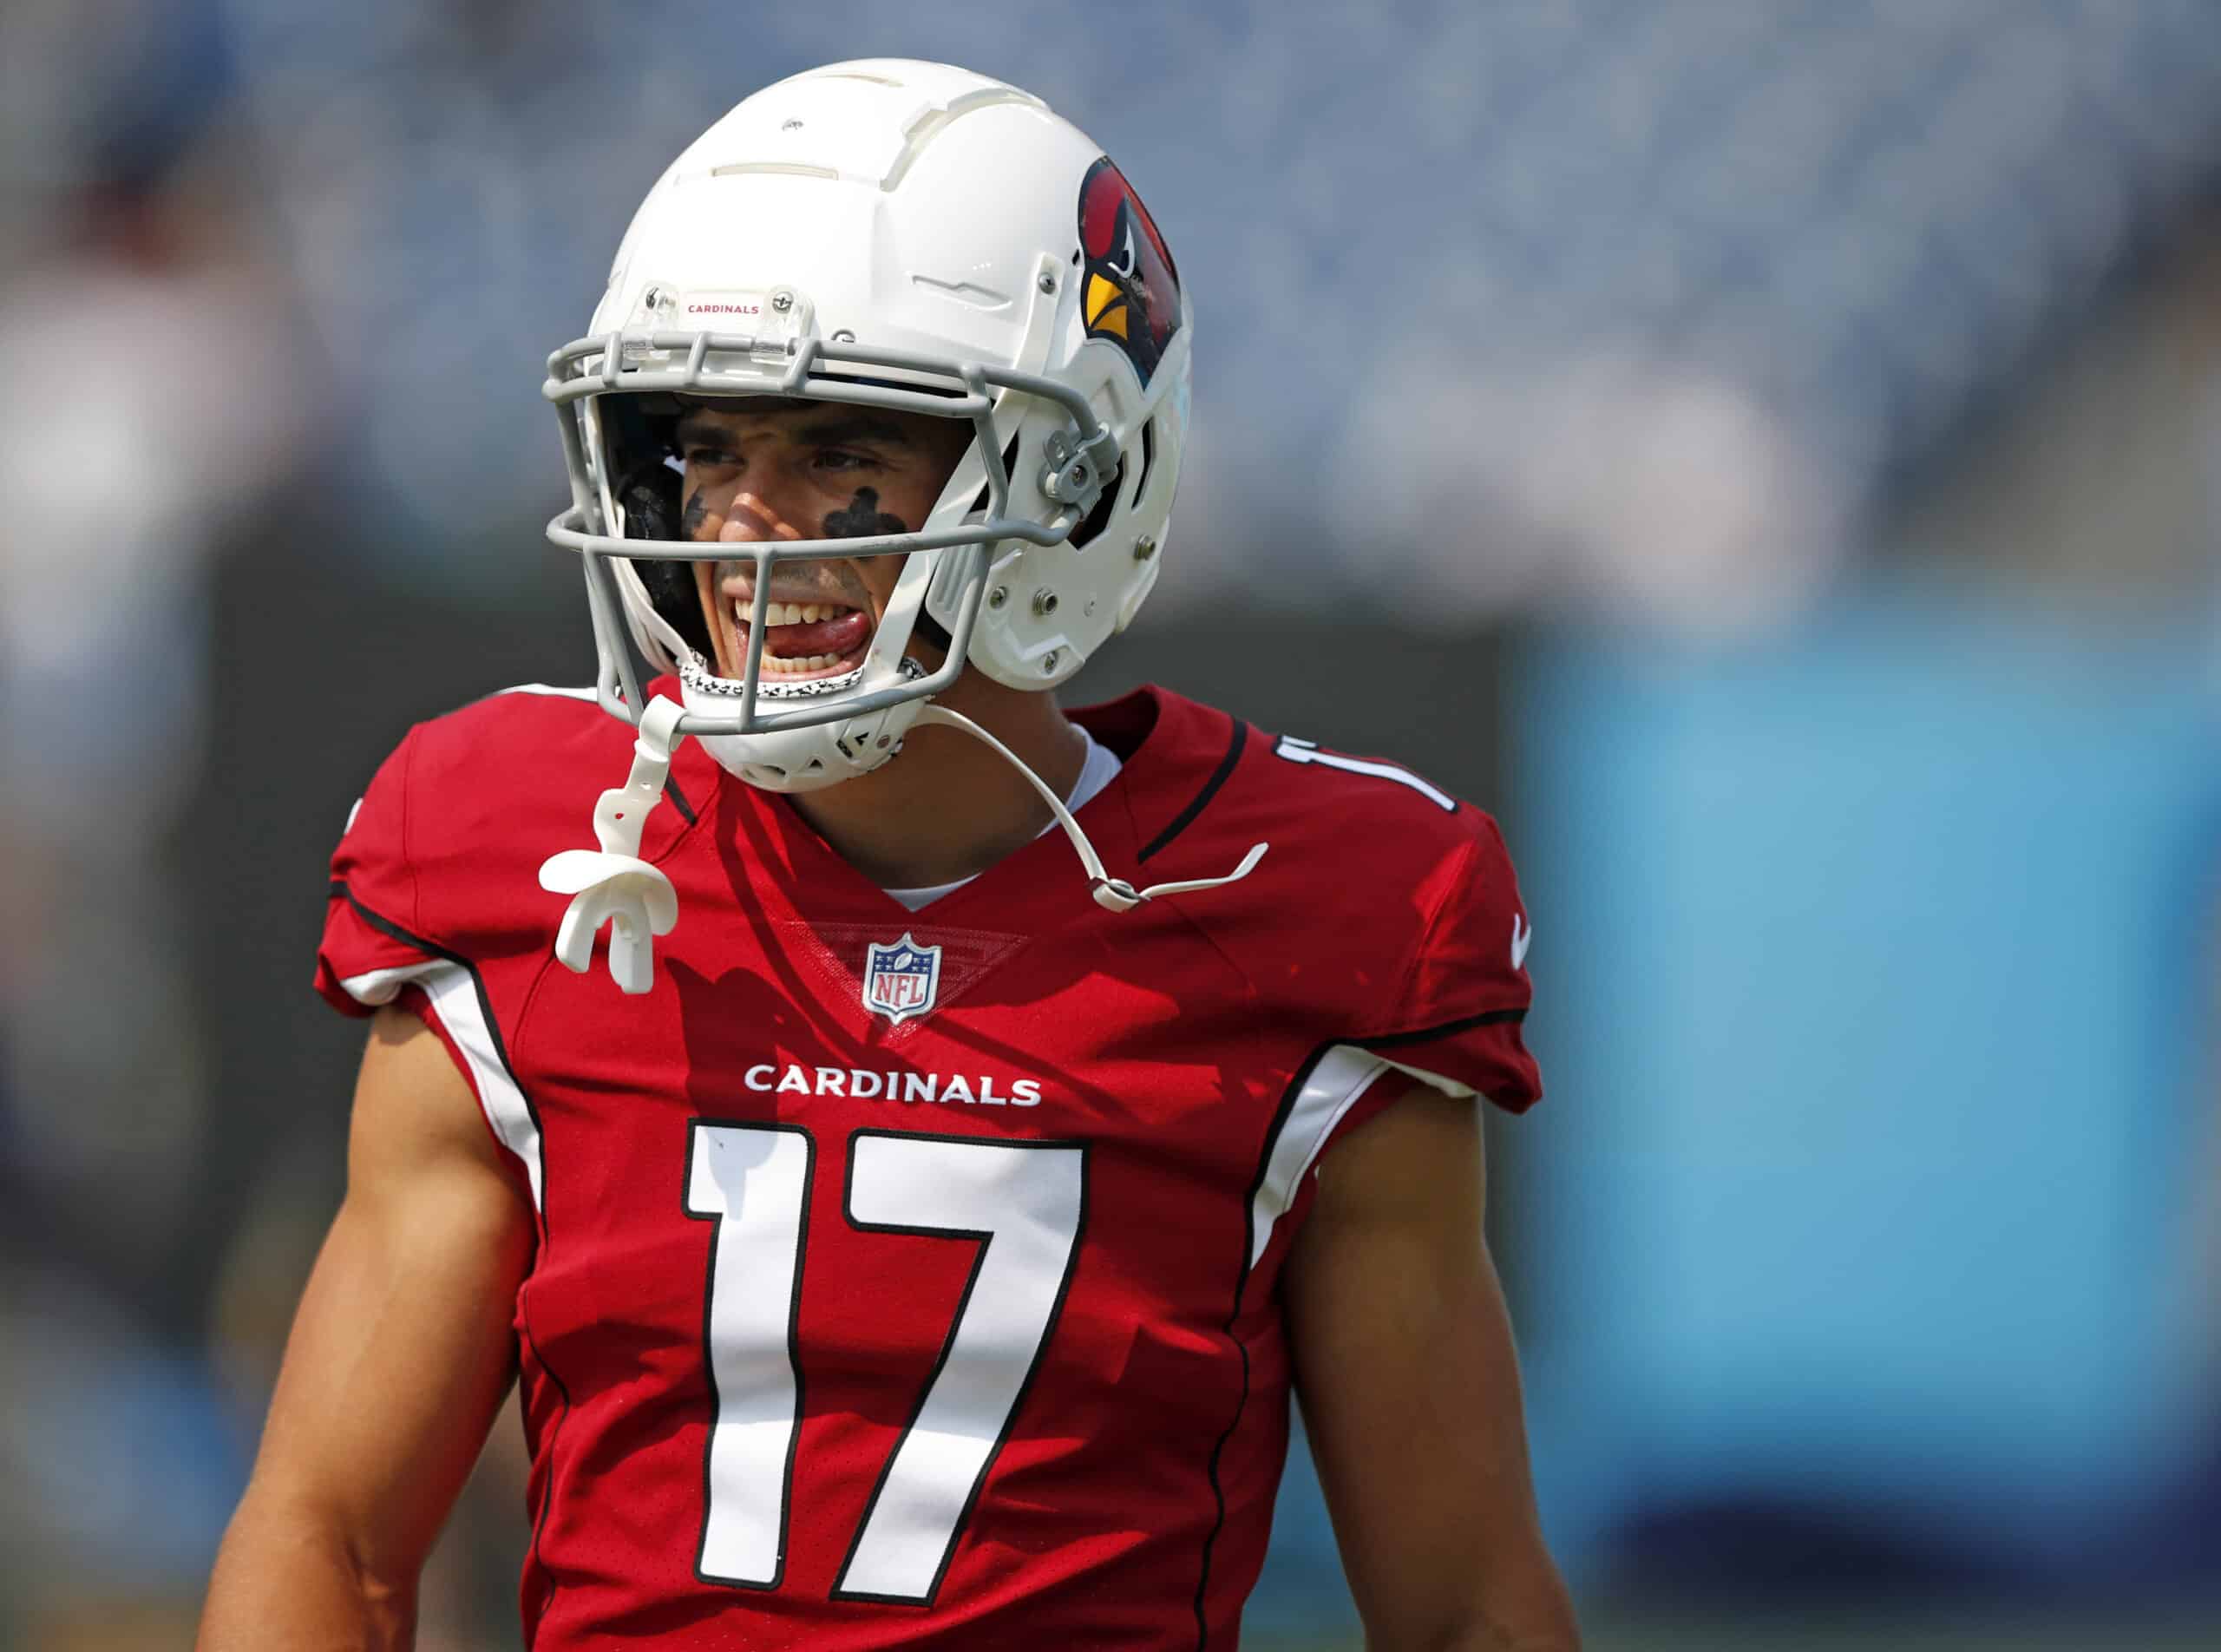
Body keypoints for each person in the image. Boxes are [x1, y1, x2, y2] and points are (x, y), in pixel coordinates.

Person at [197, 58, 1579, 1652]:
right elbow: (330, 1536)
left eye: (843, 447)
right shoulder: (523, 845)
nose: (741, 528)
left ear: (1082, 476)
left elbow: (1464, 1602)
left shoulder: (1323, 908)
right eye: (704, 447)